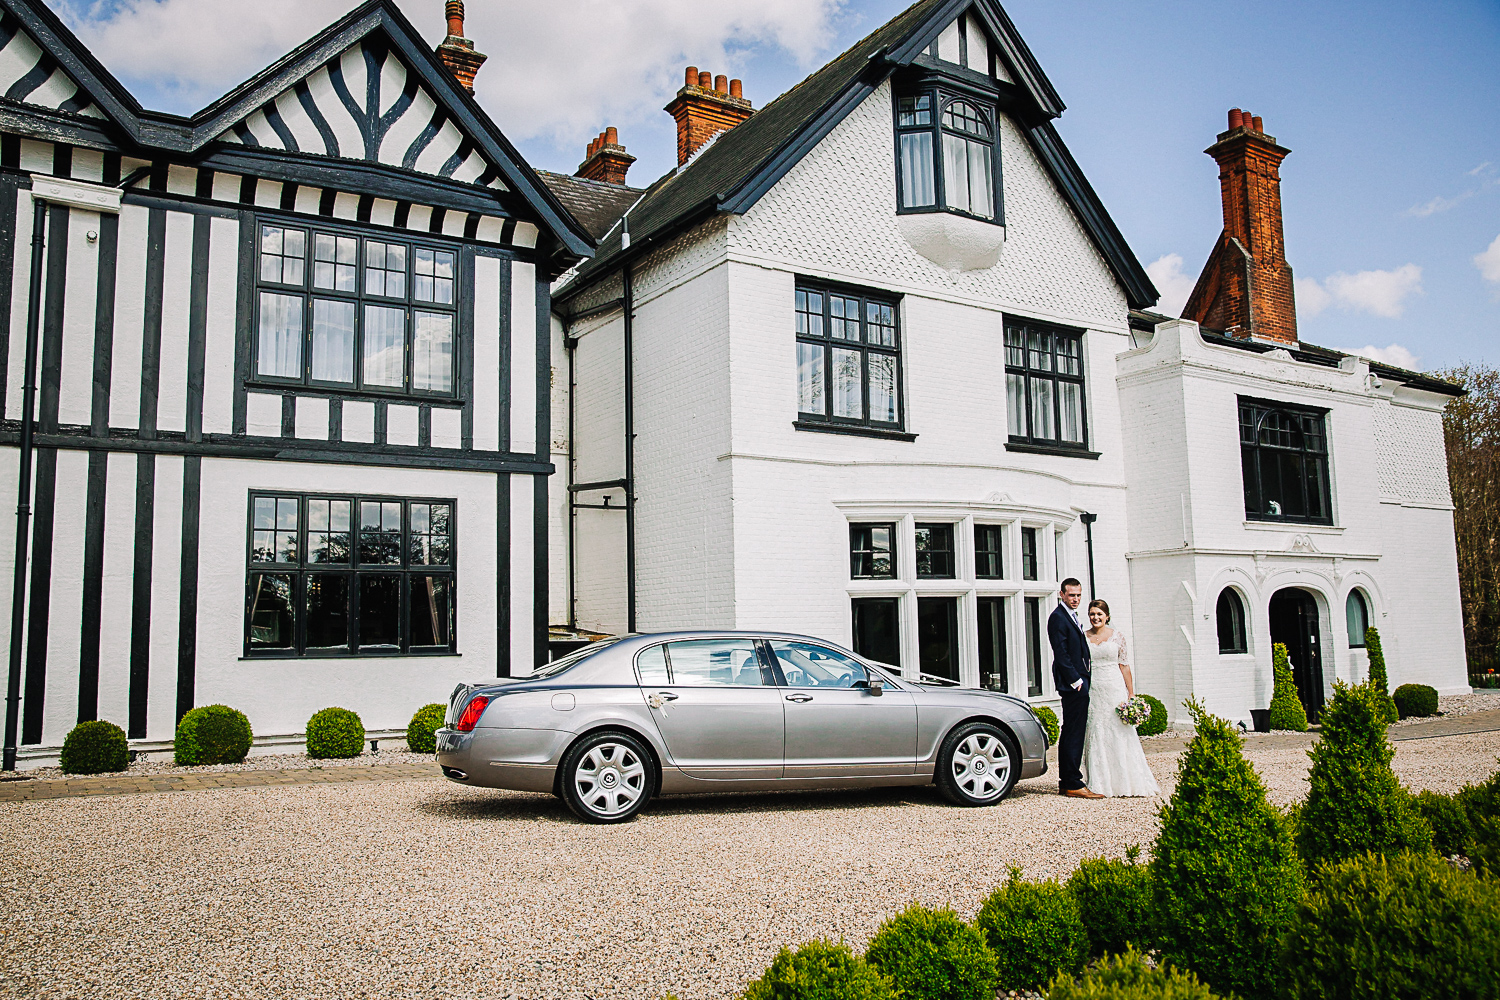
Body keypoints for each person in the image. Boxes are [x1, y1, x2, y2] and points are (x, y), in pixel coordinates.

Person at [1081, 599, 1160, 797]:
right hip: (1094, 688)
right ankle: (1099, 781)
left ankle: (1126, 780)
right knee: (1096, 729)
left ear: (1107, 616)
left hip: (1114, 687)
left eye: (1099, 614)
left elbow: (1124, 665)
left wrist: (1131, 693)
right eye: (1092, 614)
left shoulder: (1118, 637)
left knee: (1118, 730)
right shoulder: (1083, 637)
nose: (1096, 618)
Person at [1049, 578, 1101, 798]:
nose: (1076, 599)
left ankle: (1068, 781)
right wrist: (1077, 681)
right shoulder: (1058, 618)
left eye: (1079, 595)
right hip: (1073, 685)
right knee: (1073, 732)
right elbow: (1061, 654)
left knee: (1074, 730)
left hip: (1079, 681)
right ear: (1062, 594)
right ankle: (1072, 782)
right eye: (1071, 595)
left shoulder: (1071, 616)